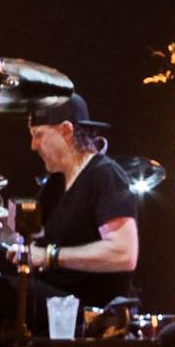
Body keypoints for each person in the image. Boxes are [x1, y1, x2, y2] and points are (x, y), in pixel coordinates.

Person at [13, 95, 143, 304]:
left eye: (39, 135)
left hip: (85, 308)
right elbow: (35, 241)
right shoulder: (56, 182)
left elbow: (124, 253)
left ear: (66, 131)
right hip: (53, 299)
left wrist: (50, 256)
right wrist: (1, 228)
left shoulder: (105, 175)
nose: (33, 145)